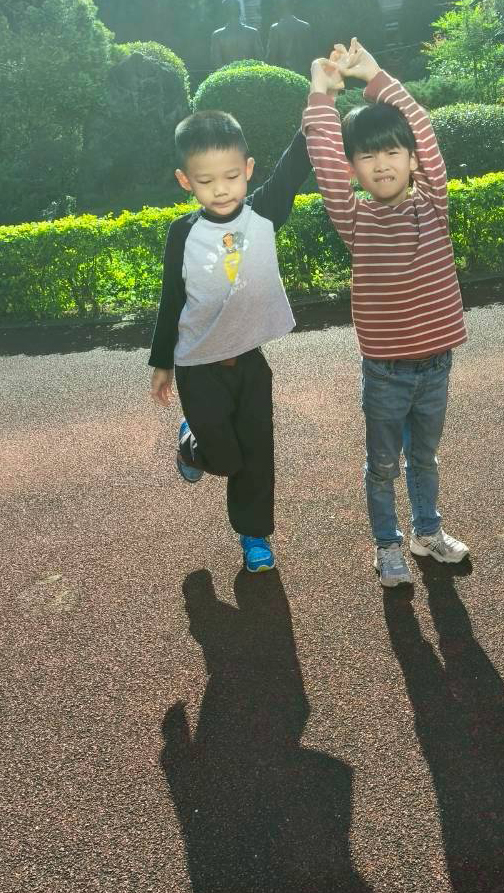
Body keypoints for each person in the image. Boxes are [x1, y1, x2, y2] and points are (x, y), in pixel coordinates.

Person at [302, 40, 469, 588]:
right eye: (367, 157)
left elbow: (422, 124)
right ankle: (388, 544)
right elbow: (325, 162)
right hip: (385, 372)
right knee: (381, 466)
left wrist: (375, 77)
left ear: (414, 160)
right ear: (353, 168)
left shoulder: (434, 205)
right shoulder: (355, 219)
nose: (382, 164)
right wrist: (321, 96)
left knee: (425, 458)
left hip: (436, 366)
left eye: (393, 152)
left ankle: (427, 531)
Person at [149, 109, 311, 573]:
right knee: (224, 459)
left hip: (249, 363)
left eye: (231, 176)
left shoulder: (262, 215)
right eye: (206, 181)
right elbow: (172, 298)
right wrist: (162, 362)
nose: (220, 189)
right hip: (198, 366)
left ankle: (253, 535)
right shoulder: (183, 233)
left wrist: (319, 102)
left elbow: (293, 168)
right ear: (185, 180)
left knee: (257, 455)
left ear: (248, 169)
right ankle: (191, 443)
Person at [211, 0, 264, 69]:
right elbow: (260, 60)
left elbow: (217, 63)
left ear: (224, 13)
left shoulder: (217, 35)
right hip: (250, 74)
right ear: (240, 11)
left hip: (227, 75)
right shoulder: (253, 33)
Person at [267, 0, 313, 77]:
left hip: (284, 75)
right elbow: (310, 53)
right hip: (304, 74)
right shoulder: (305, 26)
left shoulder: (275, 29)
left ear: (278, 8)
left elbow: (271, 56)